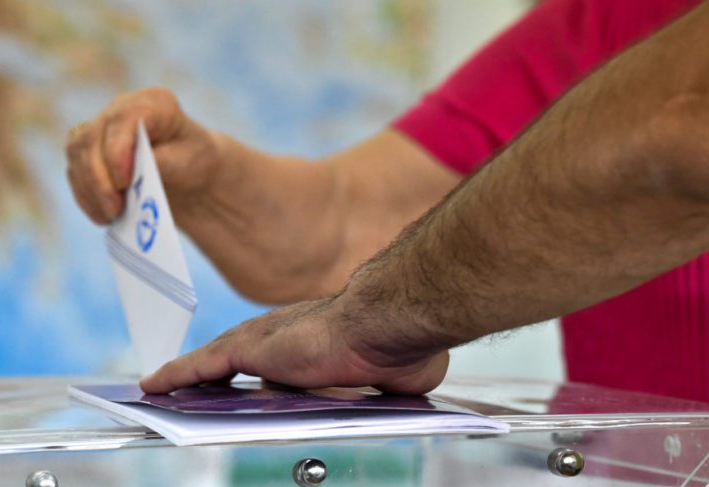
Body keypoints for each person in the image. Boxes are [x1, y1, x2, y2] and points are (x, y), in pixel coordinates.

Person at [66, 0, 709, 399]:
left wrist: (370, 324)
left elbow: (683, 134)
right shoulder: (605, 16)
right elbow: (352, 227)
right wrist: (208, 183)